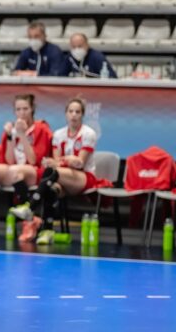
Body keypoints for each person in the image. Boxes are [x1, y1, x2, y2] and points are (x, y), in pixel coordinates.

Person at [0, 94, 53, 240]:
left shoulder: (41, 128)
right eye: (18, 109)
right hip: (14, 171)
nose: (22, 113)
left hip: (35, 171)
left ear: (32, 109)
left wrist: (22, 135)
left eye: (25, 108)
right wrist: (11, 137)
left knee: (14, 171)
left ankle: (30, 220)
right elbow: (9, 160)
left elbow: (33, 160)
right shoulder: (10, 129)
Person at [32, 98, 101, 245]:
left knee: (53, 172)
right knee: (50, 188)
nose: (74, 115)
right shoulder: (59, 134)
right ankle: (47, 230)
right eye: (71, 111)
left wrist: (61, 162)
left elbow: (79, 163)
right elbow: (58, 163)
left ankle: (31, 206)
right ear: (66, 114)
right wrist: (57, 161)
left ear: (82, 115)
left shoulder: (88, 134)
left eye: (77, 112)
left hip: (84, 177)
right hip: (62, 176)